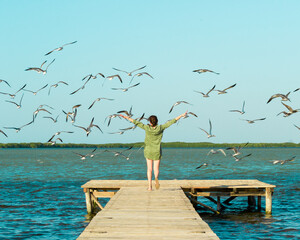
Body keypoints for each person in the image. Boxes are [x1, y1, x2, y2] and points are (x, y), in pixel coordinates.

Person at [119, 111, 187, 191]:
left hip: (148, 150)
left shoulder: (147, 128)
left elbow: (136, 122)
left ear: (150, 122)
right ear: (157, 121)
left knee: (149, 169)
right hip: (157, 150)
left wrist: (126, 117)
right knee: (156, 169)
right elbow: (171, 122)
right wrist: (181, 115)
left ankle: (150, 186)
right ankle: (156, 178)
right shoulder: (160, 128)